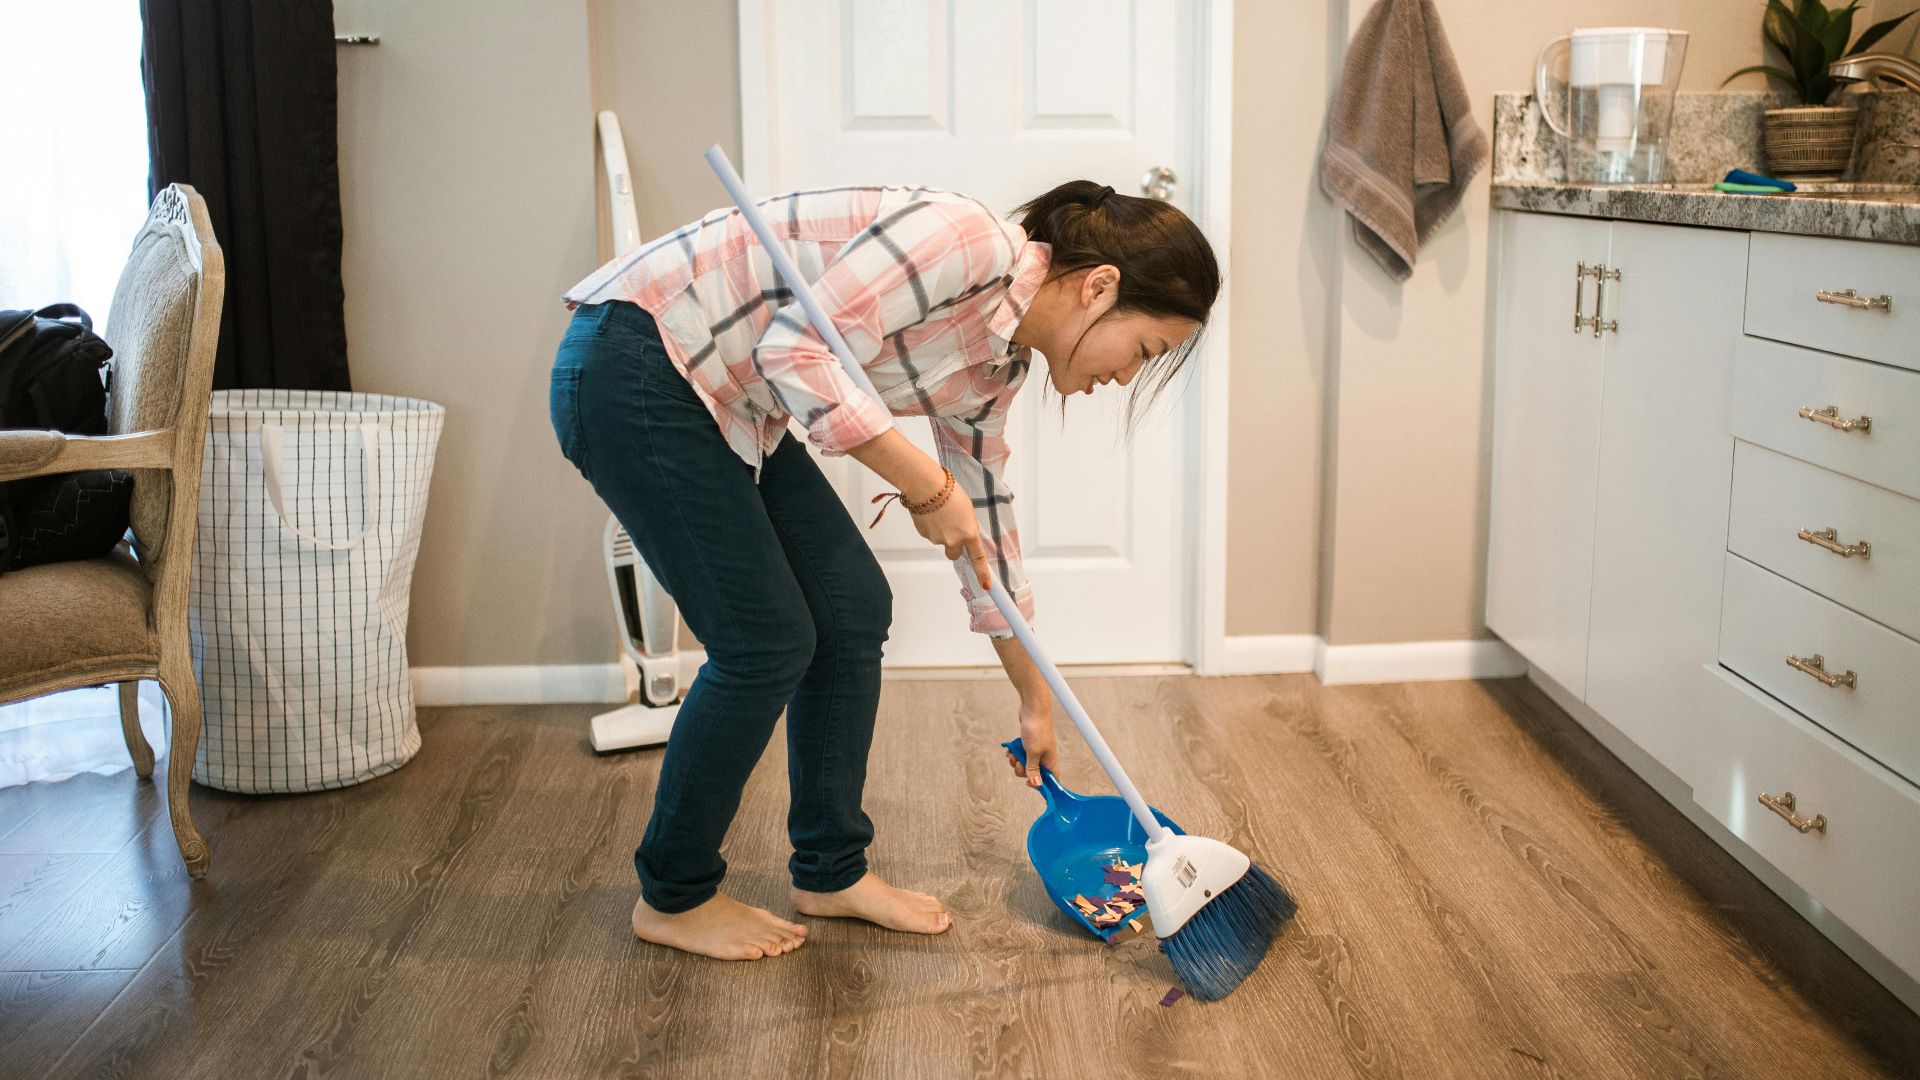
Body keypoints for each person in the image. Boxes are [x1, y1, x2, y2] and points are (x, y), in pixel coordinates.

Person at [549, 179, 1220, 961]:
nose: (1128, 376)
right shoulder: (966, 240)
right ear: (1100, 286)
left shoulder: (993, 371)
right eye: (1143, 351)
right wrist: (923, 483)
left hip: (732, 401)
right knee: (764, 642)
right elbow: (792, 349)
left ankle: (828, 873)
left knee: (851, 609)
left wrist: (1035, 701)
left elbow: (986, 536)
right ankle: (674, 893)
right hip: (638, 360)